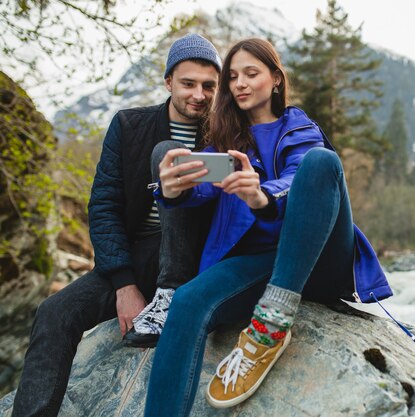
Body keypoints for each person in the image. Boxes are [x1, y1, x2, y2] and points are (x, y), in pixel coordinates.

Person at [143, 37, 392, 416]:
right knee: (187, 301)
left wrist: (262, 195)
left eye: (251, 73)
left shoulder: (298, 127)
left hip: (317, 257)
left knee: (322, 163)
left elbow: (302, 178)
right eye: (233, 77)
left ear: (276, 78)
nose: (239, 83)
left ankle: (270, 325)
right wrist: (172, 191)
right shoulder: (225, 141)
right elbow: (200, 191)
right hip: (258, 263)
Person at [10, 33, 221, 417]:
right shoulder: (129, 126)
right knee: (55, 312)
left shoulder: (224, 135)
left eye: (209, 86)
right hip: (132, 258)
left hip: (194, 261)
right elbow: (104, 206)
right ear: (168, 82)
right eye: (188, 83)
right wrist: (124, 284)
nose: (199, 94)